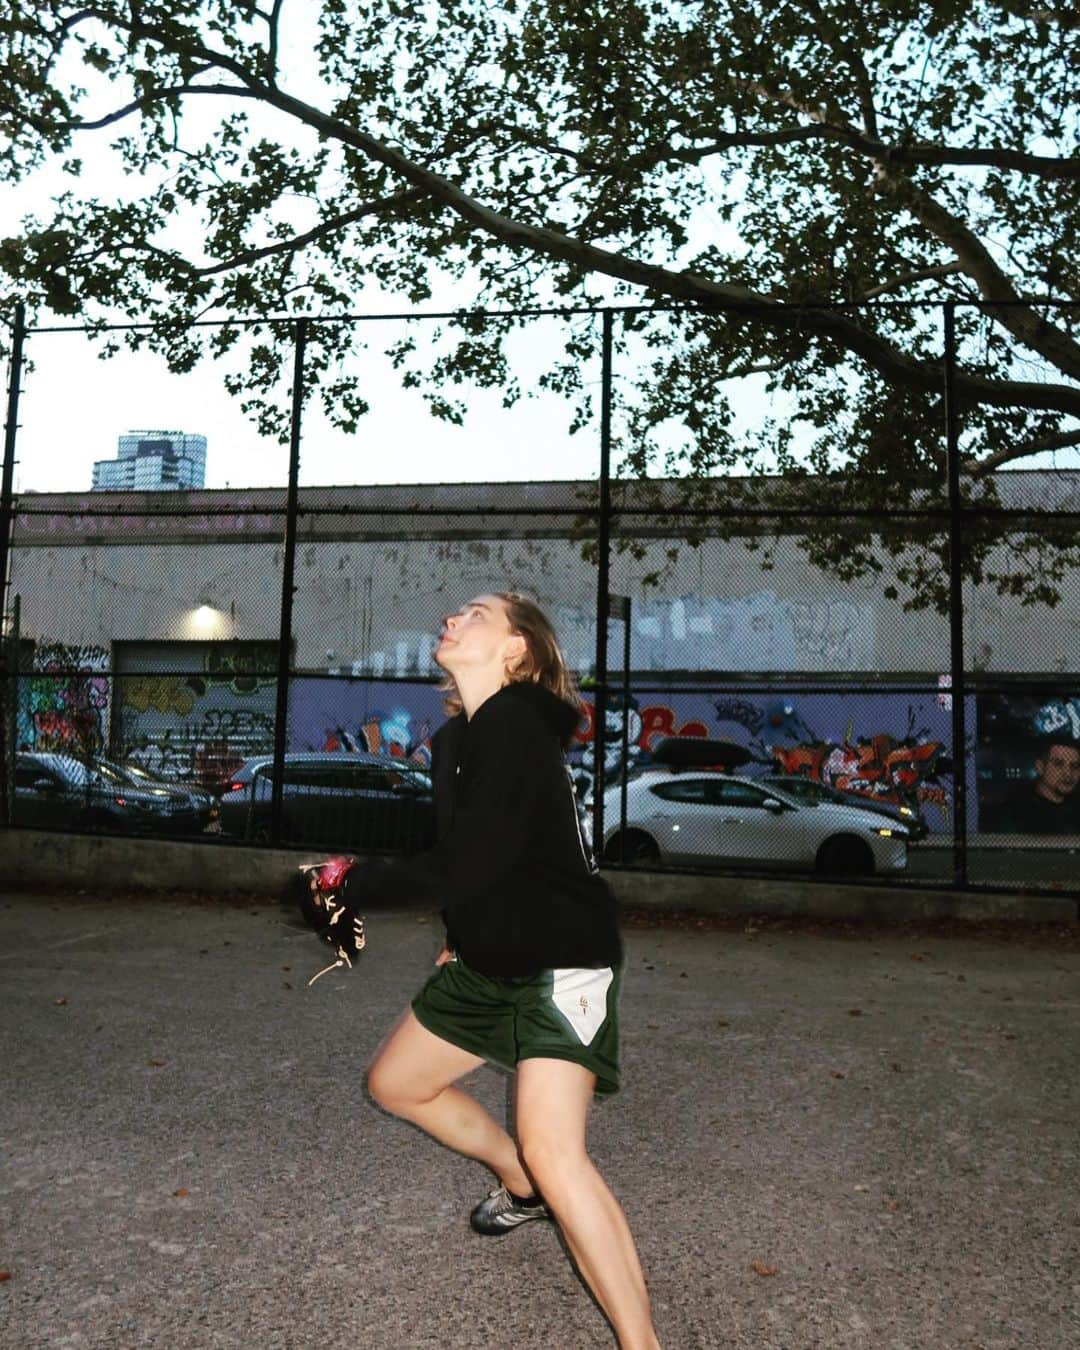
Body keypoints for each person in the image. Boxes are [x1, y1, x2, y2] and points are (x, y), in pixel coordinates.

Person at [358, 591, 662, 1350]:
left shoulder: (517, 723)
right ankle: (518, 1181)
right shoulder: (463, 736)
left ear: (516, 650)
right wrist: (460, 932)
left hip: (563, 960)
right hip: (492, 958)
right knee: (396, 1084)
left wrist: (347, 884)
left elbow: (466, 859)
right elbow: (488, 853)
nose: (451, 617)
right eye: (451, 610)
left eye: (477, 613)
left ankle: (643, 1345)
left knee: (557, 1150)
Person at [1005, 736, 1080, 835]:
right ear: (1040, 767)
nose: (1068, 774)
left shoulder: (1076, 810)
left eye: (1074, 766)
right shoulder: (1016, 812)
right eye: (1058, 764)